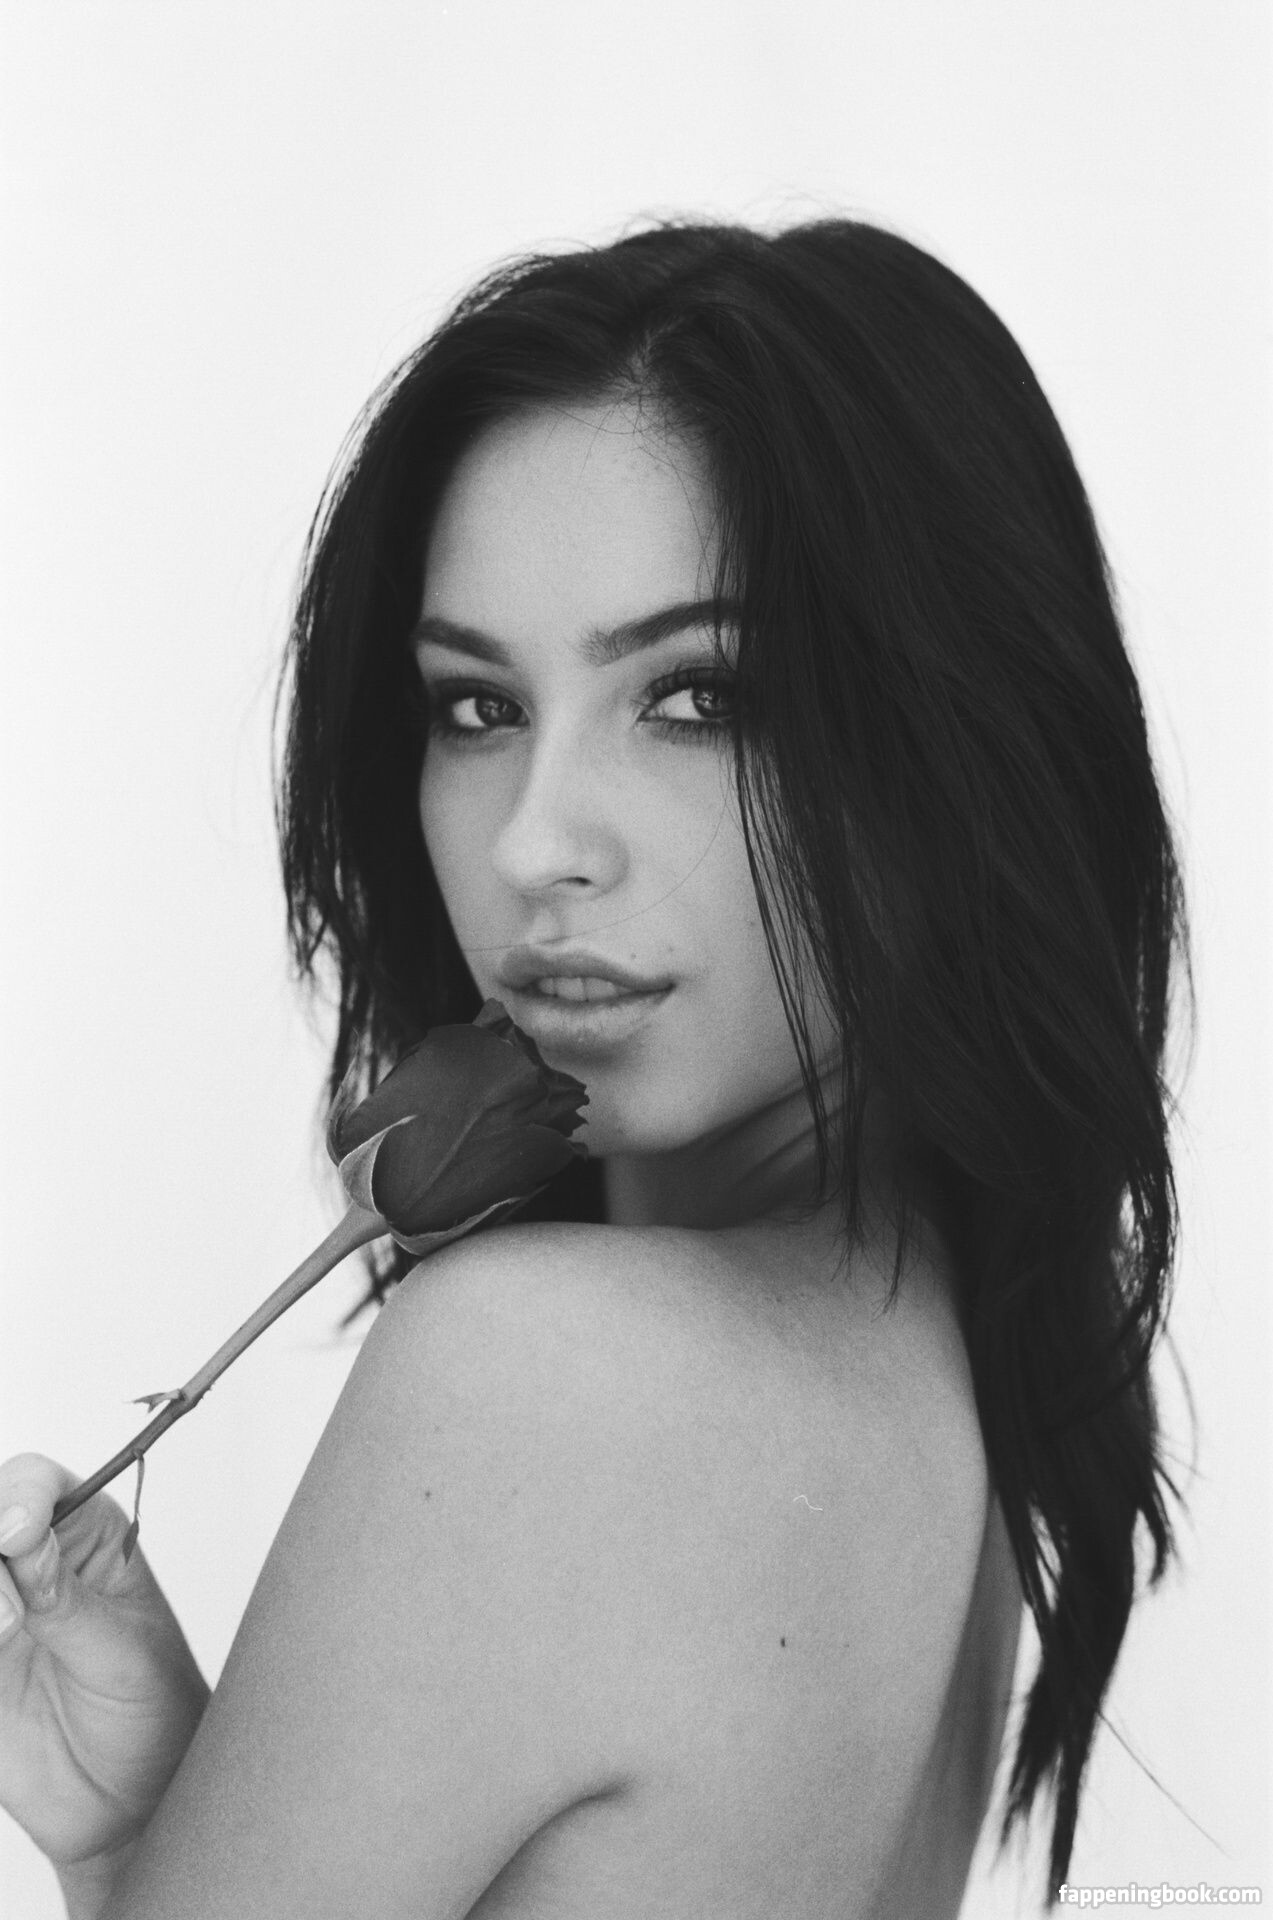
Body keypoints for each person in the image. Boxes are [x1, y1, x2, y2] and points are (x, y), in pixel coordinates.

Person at [0, 217, 1187, 1918]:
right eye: (476, 709)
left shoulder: (549, 1375)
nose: (533, 842)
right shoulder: (943, 1378)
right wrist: (145, 1849)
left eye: (698, 698)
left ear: (958, 747)